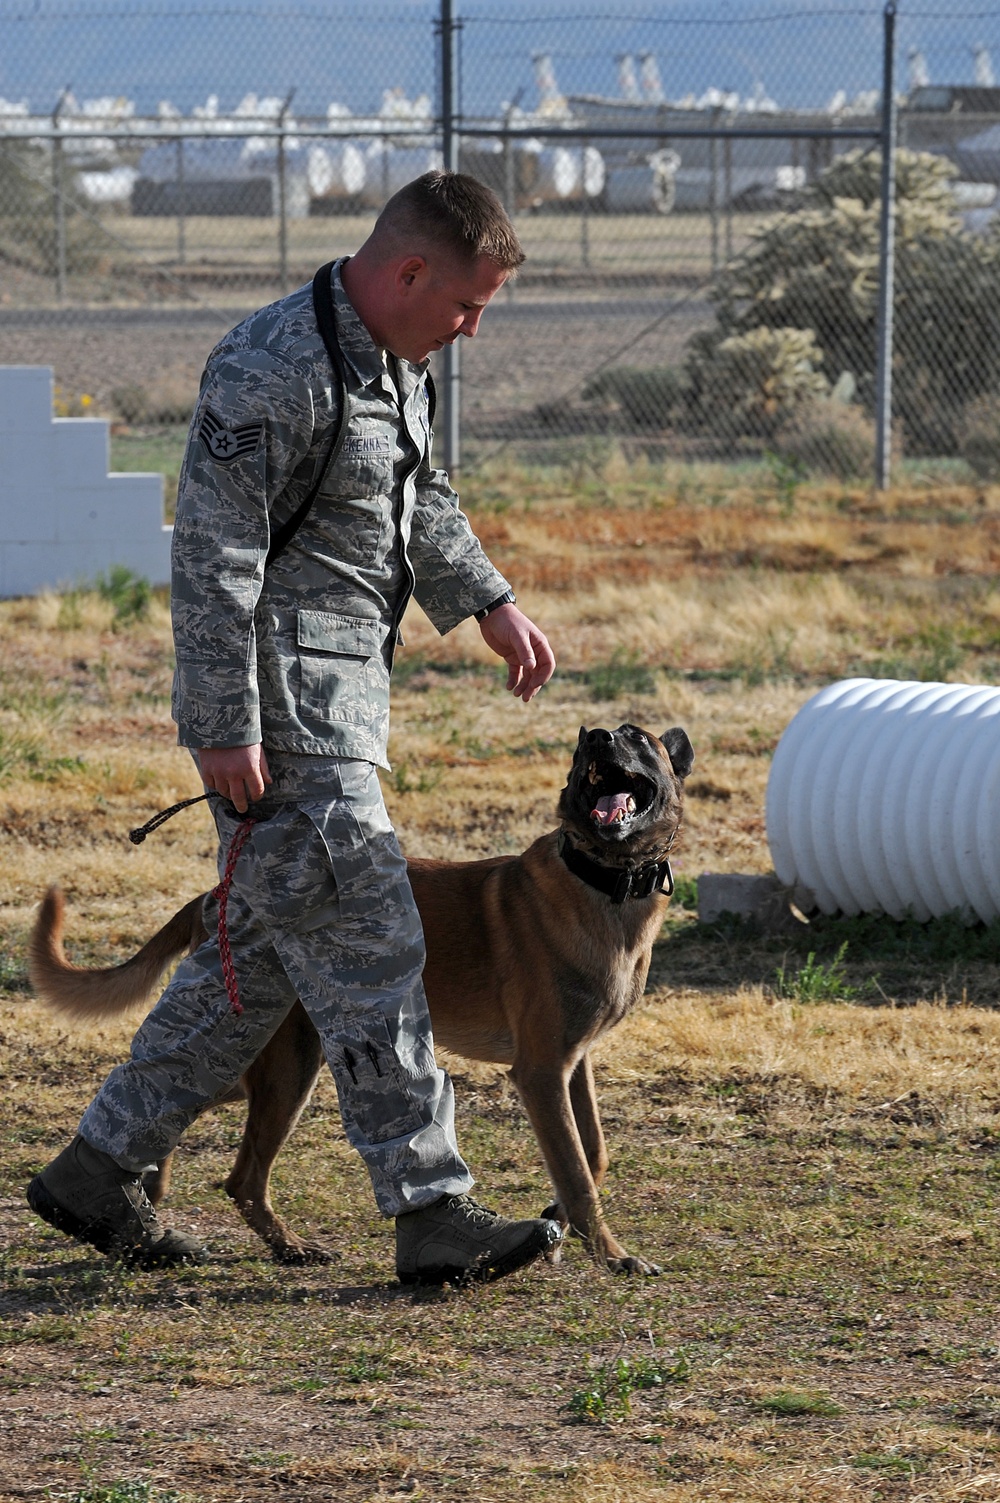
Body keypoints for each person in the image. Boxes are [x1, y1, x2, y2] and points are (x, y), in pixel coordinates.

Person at [27, 171, 562, 1286]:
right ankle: (430, 1207)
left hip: (336, 711)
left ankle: (95, 1167)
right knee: (378, 947)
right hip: (280, 724)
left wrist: (489, 601)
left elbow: (417, 501)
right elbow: (212, 556)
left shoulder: (393, 365)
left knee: (253, 976)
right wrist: (224, 722)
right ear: (408, 272)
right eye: (467, 307)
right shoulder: (273, 364)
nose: (469, 332)